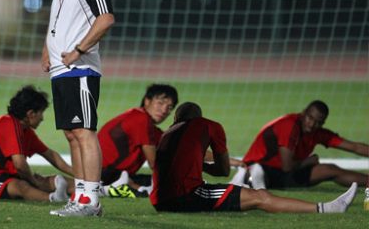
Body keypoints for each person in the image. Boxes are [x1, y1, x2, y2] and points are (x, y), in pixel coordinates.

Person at [150, 102, 357, 213]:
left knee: (248, 195)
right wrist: (206, 167)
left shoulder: (167, 134)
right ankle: (326, 209)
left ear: (176, 118)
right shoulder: (209, 126)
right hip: (185, 196)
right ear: (200, 116)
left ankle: (247, 176)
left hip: (160, 199)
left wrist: (198, 166)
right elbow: (221, 170)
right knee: (260, 197)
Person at [41, 0, 115, 217]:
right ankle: (80, 197)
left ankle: (91, 200)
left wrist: (79, 50)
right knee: (72, 134)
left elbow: (106, 18)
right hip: (60, 69)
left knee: (84, 132)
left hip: (80, 69)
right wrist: (47, 47)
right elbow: (58, 19)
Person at [233, 100, 368, 190]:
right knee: (326, 169)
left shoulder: (318, 132)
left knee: (331, 169)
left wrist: (309, 162)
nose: (312, 124)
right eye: (310, 118)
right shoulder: (289, 126)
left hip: (284, 172)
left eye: (318, 122)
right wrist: (309, 161)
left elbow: (355, 147)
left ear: (322, 123)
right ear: (303, 113)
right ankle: (247, 178)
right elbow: (287, 167)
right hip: (262, 169)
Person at [0, 85, 73, 203]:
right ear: (31, 113)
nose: (42, 118)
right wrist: (34, 182)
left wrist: (80, 175)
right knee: (22, 185)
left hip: (11, 176)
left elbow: (51, 155)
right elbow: (20, 165)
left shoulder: (25, 130)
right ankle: (54, 198)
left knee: (46, 180)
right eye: (41, 113)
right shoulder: (8, 125)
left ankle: (91, 187)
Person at [98, 84, 178, 198]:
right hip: (106, 174)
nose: (164, 110)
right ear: (147, 101)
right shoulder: (141, 120)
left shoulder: (143, 122)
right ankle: (107, 189)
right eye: (160, 103)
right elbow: (154, 163)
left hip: (112, 174)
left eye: (169, 107)